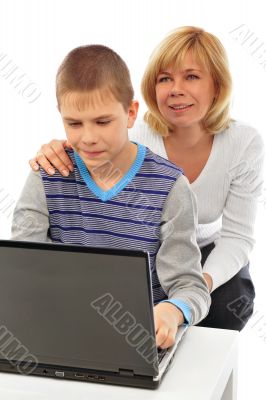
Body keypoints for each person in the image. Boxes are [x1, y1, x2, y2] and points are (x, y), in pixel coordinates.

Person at [29, 26, 265, 331]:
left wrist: (194, 289)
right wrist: (56, 151)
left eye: (191, 76)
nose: (176, 89)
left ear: (217, 85)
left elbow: (238, 238)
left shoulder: (244, 143)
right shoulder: (132, 137)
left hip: (205, 248)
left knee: (229, 299)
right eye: (165, 78)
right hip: (151, 246)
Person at [12, 44, 210, 349]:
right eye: (74, 123)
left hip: (139, 340)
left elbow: (190, 286)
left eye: (103, 122)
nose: (88, 137)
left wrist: (172, 311)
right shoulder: (46, 175)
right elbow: (22, 269)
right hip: (61, 332)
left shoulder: (170, 188)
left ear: (131, 113)